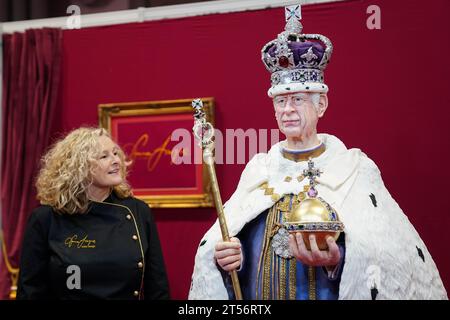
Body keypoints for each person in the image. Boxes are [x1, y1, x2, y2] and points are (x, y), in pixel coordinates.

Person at [189, 5, 447, 300]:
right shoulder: (259, 170)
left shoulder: (353, 169)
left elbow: (386, 255)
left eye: (298, 99)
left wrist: (337, 260)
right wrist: (229, 259)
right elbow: (239, 248)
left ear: (320, 105)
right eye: (281, 102)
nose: (287, 110)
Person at [17, 127, 170, 299]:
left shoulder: (138, 211)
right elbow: (30, 291)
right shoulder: (46, 218)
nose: (116, 161)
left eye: (115, 153)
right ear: (79, 167)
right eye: (104, 156)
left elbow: (157, 287)